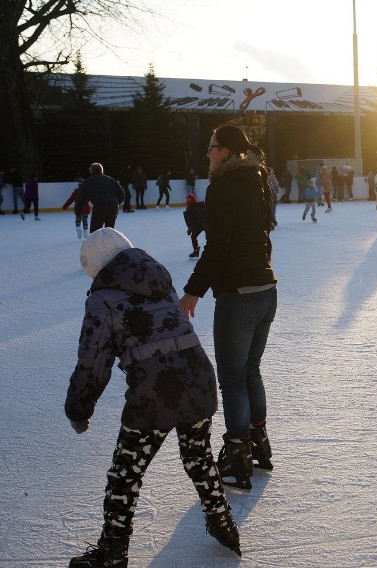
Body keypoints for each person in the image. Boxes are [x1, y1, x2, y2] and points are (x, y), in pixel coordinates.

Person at [66, 228, 241, 567]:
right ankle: (224, 524)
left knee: (125, 474)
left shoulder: (102, 300)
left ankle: (112, 555)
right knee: (198, 459)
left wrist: (79, 407)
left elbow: (92, 362)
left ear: (98, 268)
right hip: (199, 379)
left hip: (155, 395)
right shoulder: (159, 280)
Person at [180, 124, 278, 491]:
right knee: (250, 371)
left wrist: (192, 291)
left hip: (239, 294)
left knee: (234, 377)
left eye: (211, 147)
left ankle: (238, 454)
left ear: (226, 151)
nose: (207, 154)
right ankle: (258, 442)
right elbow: (264, 238)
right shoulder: (257, 181)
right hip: (267, 289)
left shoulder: (222, 187)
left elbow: (216, 249)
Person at [76, 162, 125, 231]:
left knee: (95, 232)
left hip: (99, 206)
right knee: (109, 231)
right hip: (113, 206)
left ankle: (95, 242)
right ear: (101, 171)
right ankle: (108, 241)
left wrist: (78, 213)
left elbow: (81, 199)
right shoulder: (111, 180)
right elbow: (122, 194)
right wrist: (116, 203)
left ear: (91, 171)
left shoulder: (88, 182)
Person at [183, 193, 206, 257]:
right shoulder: (203, 205)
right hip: (207, 224)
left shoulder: (188, 210)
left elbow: (191, 221)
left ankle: (196, 250)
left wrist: (190, 229)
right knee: (210, 238)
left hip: (197, 226)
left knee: (193, 236)